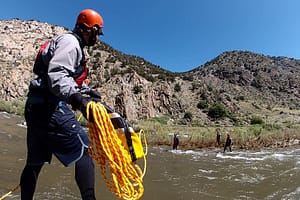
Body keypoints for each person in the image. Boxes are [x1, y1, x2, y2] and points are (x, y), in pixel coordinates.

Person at [19, 9, 104, 200]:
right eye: (97, 33)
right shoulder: (71, 42)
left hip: (35, 106)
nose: (97, 38)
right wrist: (79, 101)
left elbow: (62, 77)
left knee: (34, 162)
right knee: (85, 150)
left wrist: (85, 92)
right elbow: (57, 76)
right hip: (50, 107)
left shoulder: (71, 44)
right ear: (88, 29)